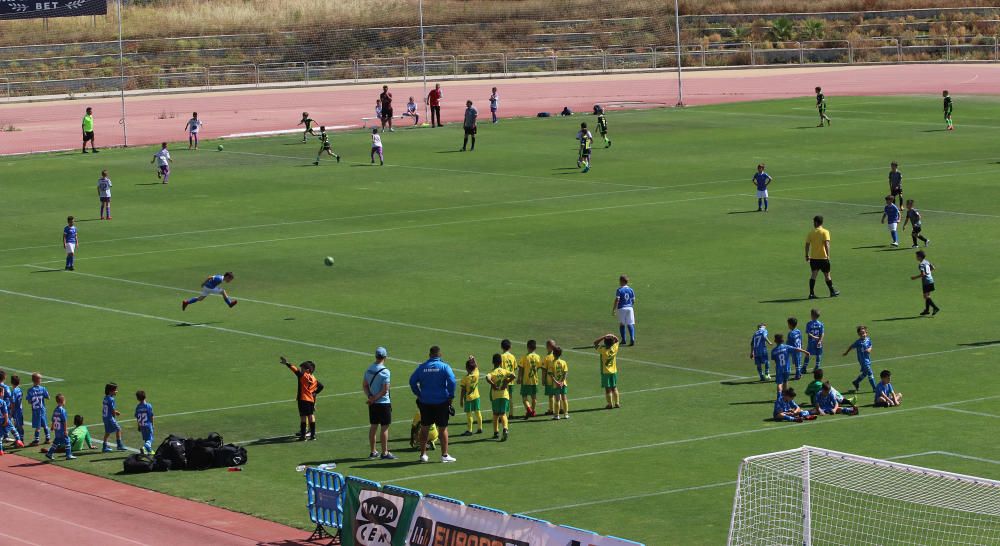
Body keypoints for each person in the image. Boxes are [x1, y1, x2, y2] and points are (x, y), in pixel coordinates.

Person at [408, 346, 457, 463]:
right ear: (440, 355)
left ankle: (423, 455)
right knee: (443, 428)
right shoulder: (445, 366)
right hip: (441, 402)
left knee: (424, 428)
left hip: (425, 402)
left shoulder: (422, 367)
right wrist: (450, 395)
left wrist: (419, 394)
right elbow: (452, 381)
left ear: (430, 355)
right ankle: (444, 455)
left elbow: (412, 381)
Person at [280, 357, 324, 441]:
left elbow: (295, 370)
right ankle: (313, 435)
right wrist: (314, 393)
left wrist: (287, 363)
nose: (301, 370)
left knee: (303, 417)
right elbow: (321, 386)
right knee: (311, 416)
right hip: (311, 400)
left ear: (307, 370)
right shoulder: (314, 379)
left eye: (302, 369)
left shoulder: (303, 376)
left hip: (303, 399)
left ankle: (303, 436)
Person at [363, 347, 395, 460]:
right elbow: (385, 390)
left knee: (373, 426)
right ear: (385, 357)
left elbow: (365, 386)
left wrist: (370, 397)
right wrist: (374, 398)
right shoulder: (385, 372)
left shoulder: (369, 369)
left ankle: (373, 451)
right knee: (384, 428)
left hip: (373, 404)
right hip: (383, 403)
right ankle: (385, 452)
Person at [805, 215, 840, 299]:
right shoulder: (825, 232)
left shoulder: (811, 233)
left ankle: (811, 294)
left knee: (813, 275)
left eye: (814, 222)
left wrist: (806, 255)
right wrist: (828, 255)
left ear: (816, 222)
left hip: (814, 259)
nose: (813, 223)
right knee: (827, 275)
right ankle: (832, 292)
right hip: (823, 258)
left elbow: (807, 245)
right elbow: (827, 244)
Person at [486, 353, 516, 441]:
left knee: (495, 414)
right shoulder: (504, 371)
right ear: (501, 362)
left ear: (492, 362)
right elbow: (514, 375)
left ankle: (496, 432)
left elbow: (487, 378)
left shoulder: (492, 372)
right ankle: (505, 429)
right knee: (503, 414)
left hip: (496, 396)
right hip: (504, 395)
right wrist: (507, 382)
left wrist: (493, 384)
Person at [844, 325, 876, 393]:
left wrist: (869, 349)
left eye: (864, 333)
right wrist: (846, 352)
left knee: (865, 373)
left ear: (866, 333)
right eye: (861, 333)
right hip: (863, 361)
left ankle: (856, 382)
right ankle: (874, 388)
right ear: (858, 334)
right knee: (870, 372)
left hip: (867, 359)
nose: (863, 335)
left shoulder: (868, 339)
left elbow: (870, 345)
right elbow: (851, 346)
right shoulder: (858, 342)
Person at [594, 334, 622, 409]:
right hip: (614, 371)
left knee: (608, 389)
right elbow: (617, 340)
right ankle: (617, 403)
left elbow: (595, 343)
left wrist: (603, 336)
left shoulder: (603, 350)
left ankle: (610, 404)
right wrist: (612, 335)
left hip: (605, 372)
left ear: (605, 343)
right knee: (614, 387)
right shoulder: (614, 348)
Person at [45, 394, 75, 460]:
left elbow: (53, 419)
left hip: (57, 429)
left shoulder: (55, 410)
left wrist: (52, 426)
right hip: (61, 430)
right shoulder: (63, 410)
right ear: (62, 401)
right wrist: (65, 430)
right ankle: (68, 455)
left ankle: (49, 453)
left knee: (56, 441)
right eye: (64, 400)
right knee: (67, 441)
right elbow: (64, 421)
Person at [459, 356, 483, 436]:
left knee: (469, 414)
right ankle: (480, 428)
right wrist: (473, 359)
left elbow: (463, 390)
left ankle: (469, 430)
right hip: (476, 397)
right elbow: (476, 366)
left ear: (466, 368)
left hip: (468, 399)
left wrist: (461, 400)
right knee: (478, 412)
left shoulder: (465, 378)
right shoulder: (477, 373)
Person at [911, 250, 940, 316]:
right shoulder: (926, 261)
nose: (916, 257)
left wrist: (914, 277)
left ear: (920, 257)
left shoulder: (921, 265)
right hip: (931, 280)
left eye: (917, 256)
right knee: (928, 295)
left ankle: (935, 308)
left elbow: (923, 274)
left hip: (926, 282)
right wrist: (928, 273)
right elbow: (933, 268)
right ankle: (927, 310)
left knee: (925, 296)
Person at [517, 340, 541, 418]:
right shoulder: (538, 357)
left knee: (524, 397)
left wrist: (519, 378)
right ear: (535, 347)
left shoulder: (524, 357)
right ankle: (533, 411)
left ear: (527, 347)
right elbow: (538, 368)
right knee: (534, 397)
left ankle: (529, 410)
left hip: (526, 380)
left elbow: (520, 368)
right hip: (534, 380)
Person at [101, 383, 125, 452]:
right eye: (115, 390)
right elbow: (112, 410)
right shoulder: (111, 399)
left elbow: (107, 408)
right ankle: (119, 445)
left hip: (105, 417)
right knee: (118, 429)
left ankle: (104, 446)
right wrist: (115, 414)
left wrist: (115, 412)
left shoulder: (105, 398)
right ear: (110, 391)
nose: (116, 391)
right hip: (109, 418)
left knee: (107, 432)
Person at [613, 275, 636, 346]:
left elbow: (617, 299)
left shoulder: (619, 290)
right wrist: (630, 305)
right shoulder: (631, 290)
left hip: (622, 308)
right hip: (630, 308)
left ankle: (623, 340)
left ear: (622, 281)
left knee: (622, 324)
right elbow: (633, 300)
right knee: (630, 323)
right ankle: (632, 338)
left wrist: (614, 309)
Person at [27, 373, 49, 445]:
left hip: (35, 411)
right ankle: (47, 438)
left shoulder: (30, 390)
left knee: (38, 426)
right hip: (42, 410)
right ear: (38, 380)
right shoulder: (43, 388)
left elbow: (29, 401)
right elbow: (48, 397)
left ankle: (36, 440)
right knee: (45, 424)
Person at [551, 346, 570, 420]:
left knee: (557, 399)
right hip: (563, 384)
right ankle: (566, 414)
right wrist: (562, 381)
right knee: (564, 398)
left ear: (553, 354)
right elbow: (565, 373)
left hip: (556, 385)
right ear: (561, 354)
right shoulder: (563, 362)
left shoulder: (552, 363)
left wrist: (557, 382)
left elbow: (551, 375)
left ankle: (557, 415)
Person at [499, 339, 517, 415]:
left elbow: (499, 369)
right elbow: (515, 367)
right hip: (511, 380)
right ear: (510, 347)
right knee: (510, 397)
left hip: (504, 381)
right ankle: (511, 413)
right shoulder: (512, 356)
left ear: (501, 347)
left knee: (503, 397)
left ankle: (503, 414)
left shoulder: (501, 357)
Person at [134, 390, 154, 455]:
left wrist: (139, 426)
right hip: (148, 424)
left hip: (142, 425)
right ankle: (145, 447)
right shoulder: (148, 406)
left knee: (146, 438)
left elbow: (137, 417)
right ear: (145, 396)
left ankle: (149, 451)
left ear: (137, 399)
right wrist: (152, 424)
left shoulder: (137, 407)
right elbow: (151, 416)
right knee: (150, 438)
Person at [541, 339, 557, 415]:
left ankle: (551, 410)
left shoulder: (547, 358)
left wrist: (543, 379)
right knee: (558, 394)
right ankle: (560, 408)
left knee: (551, 395)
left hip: (550, 379)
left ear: (548, 347)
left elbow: (544, 370)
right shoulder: (557, 356)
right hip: (558, 379)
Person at [10, 375, 24, 439]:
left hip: (16, 410)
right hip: (20, 409)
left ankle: (21, 439)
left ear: (11, 382)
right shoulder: (20, 390)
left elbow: (13, 402)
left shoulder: (13, 391)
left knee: (18, 426)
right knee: (17, 425)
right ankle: (18, 439)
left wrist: (11, 412)